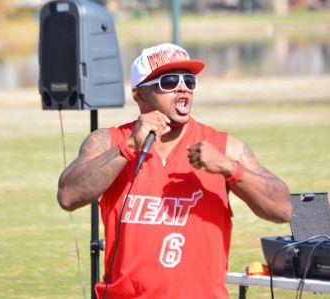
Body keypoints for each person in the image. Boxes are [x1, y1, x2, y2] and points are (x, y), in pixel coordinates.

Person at [57, 43, 292, 299]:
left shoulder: (223, 148)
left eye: (189, 81)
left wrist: (229, 168)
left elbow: (283, 209)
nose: (182, 87)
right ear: (139, 94)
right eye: (168, 81)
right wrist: (130, 147)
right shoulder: (110, 141)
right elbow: (68, 196)